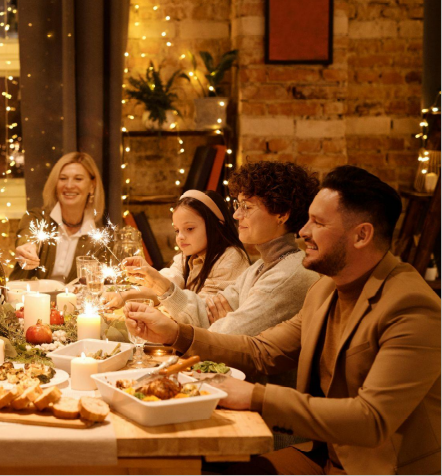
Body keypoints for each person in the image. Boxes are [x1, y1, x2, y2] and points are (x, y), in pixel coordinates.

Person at [124, 166, 441, 475]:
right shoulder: (325, 289)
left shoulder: (411, 306)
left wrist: (254, 396)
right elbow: (260, 350)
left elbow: (371, 420)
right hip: (321, 456)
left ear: (362, 235)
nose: (303, 232)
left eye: (318, 223)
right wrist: (175, 333)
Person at [125, 161, 320, 335]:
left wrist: (218, 323)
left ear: (282, 214)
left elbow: (227, 336)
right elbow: (203, 313)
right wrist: (160, 284)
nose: (236, 215)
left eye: (247, 207)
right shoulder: (260, 267)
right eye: (238, 205)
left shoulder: (288, 274)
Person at [104, 189, 249, 310]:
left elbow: (202, 311)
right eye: (177, 230)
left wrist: (157, 283)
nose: (180, 237)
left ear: (216, 226)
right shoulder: (186, 256)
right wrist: (125, 295)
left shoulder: (231, 257)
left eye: (189, 229)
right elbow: (168, 283)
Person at [10, 152, 108, 282]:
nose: (69, 185)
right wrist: (27, 249)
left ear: (92, 185)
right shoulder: (37, 218)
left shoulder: (99, 238)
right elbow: (27, 236)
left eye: (78, 179)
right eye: (63, 178)